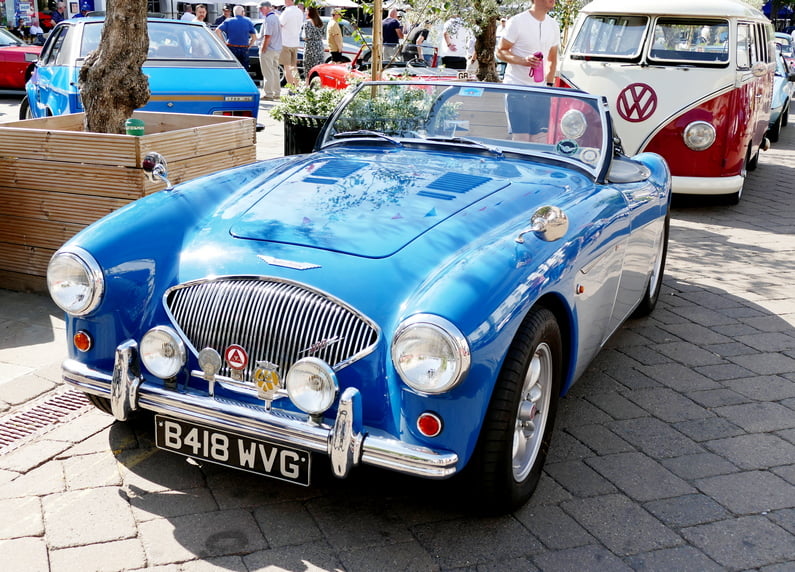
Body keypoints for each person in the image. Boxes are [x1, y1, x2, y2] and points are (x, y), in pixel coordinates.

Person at [496, 0, 560, 142]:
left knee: (541, 139)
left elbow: (552, 58)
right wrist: (523, 60)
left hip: (541, 91)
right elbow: (500, 52)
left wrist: (549, 86)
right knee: (522, 139)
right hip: (517, 89)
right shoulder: (517, 22)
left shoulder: (554, 25)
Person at [215, 5, 256, 70]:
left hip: (231, 47)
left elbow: (217, 31)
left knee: (232, 68)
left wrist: (223, 43)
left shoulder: (228, 21)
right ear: (243, 12)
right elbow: (254, 36)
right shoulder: (248, 21)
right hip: (244, 48)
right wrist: (250, 45)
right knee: (244, 69)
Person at [258, 1, 282, 100]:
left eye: (261, 8)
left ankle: (268, 94)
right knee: (274, 71)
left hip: (269, 48)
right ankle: (277, 93)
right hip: (277, 48)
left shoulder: (269, 19)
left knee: (267, 72)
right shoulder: (276, 17)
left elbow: (267, 36)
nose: (260, 10)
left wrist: (263, 49)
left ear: (267, 8)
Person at [279, 0, 303, 86]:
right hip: (295, 42)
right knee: (294, 67)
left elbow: (279, 25)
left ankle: (291, 88)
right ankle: (298, 85)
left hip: (285, 42)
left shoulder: (286, 11)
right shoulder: (299, 11)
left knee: (286, 67)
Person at [302, 7, 324, 74]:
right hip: (319, 45)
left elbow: (306, 37)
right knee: (318, 67)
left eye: (306, 11)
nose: (305, 13)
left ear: (309, 12)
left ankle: (308, 83)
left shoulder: (307, 23)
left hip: (310, 46)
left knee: (308, 68)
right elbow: (322, 35)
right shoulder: (320, 22)